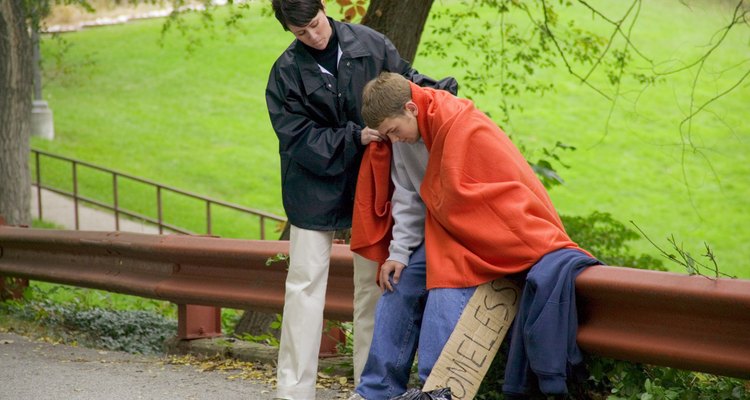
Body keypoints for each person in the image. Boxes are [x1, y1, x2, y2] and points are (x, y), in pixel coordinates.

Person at [350, 72, 601, 398]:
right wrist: (398, 253)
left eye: (394, 131)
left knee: (446, 286)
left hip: (482, 233)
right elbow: (409, 196)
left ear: (411, 108)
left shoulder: (461, 123)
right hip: (444, 231)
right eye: (387, 135)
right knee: (398, 282)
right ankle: (375, 391)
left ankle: (437, 390)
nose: (394, 140)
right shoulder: (402, 138)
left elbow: (489, 197)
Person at [265, 2, 457, 398]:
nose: (313, 36)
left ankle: (370, 389)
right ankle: (293, 390)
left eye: (315, 25)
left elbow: (405, 81)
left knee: (372, 287)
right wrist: (353, 137)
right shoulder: (284, 73)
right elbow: (297, 138)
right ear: (288, 30)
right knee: (304, 286)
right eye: (301, 33)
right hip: (311, 186)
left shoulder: (370, 43)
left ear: (323, 9)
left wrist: (437, 91)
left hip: (372, 185)